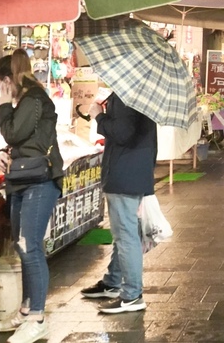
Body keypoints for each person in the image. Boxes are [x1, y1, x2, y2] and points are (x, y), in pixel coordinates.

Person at [0, 49, 64, 343]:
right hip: (23, 179)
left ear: (8, 80)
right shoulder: (27, 100)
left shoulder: (34, 99)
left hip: (39, 181)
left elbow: (13, 133)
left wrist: (2, 105)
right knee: (23, 247)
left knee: (30, 246)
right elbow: (21, 143)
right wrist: (0, 154)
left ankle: (37, 318)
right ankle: (25, 310)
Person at [80, 91, 157, 314]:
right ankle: (113, 282)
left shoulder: (129, 95)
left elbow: (123, 133)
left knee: (126, 235)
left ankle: (132, 295)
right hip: (133, 170)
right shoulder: (140, 94)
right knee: (124, 232)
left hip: (125, 172)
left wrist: (99, 116)